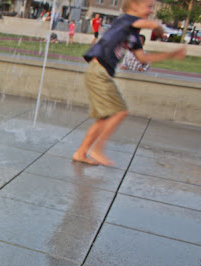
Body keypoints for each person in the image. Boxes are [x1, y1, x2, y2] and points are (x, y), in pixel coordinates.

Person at [72, 0, 186, 166]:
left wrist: (170, 55)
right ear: (133, 6)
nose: (151, 11)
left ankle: (81, 152)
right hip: (98, 72)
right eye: (148, 7)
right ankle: (97, 149)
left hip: (100, 72)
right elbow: (149, 24)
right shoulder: (125, 20)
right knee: (119, 112)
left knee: (105, 117)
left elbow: (142, 58)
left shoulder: (133, 34)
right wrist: (159, 28)